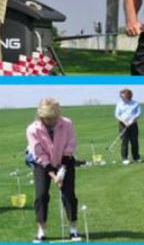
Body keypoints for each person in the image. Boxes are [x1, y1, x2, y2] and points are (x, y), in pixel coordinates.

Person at [26, 98, 81, 242]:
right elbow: (39, 154)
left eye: (54, 118)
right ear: (41, 116)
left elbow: (70, 144)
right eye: (48, 118)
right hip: (42, 165)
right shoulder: (33, 130)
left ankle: (73, 228)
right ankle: (41, 230)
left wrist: (62, 170)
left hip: (65, 160)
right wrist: (53, 175)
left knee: (69, 195)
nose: (51, 121)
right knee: (41, 195)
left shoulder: (67, 124)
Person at [114, 88, 142, 164]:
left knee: (134, 141)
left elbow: (138, 113)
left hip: (133, 124)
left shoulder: (136, 103)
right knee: (124, 141)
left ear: (129, 96)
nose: (122, 98)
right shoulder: (119, 104)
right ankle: (125, 158)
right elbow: (117, 114)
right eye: (121, 97)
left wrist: (132, 120)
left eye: (123, 97)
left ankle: (136, 157)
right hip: (123, 124)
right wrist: (123, 121)